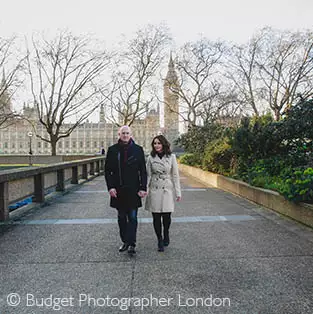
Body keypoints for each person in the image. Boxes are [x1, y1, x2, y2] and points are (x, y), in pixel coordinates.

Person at [104, 126, 147, 255]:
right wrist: (110, 187)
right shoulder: (112, 150)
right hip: (118, 190)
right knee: (122, 217)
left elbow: (143, 171)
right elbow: (107, 171)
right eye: (123, 133)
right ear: (119, 134)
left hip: (133, 190)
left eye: (127, 133)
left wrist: (143, 187)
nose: (125, 135)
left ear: (131, 134)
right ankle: (125, 241)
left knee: (133, 217)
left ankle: (132, 243)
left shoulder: (138, 150)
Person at [145, 135, 181, 252]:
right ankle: (159, 240)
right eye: (155, 143)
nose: (156, 145)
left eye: (159, 143)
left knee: (166, 216)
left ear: (164, 144)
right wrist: (144, 189)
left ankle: (166, 233)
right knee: (156, 217)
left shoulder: (171, 157)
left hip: (167, 188)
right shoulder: (151, 158)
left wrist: (178, 192)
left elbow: (175, 175)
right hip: (155, 188)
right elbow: (148, 175)